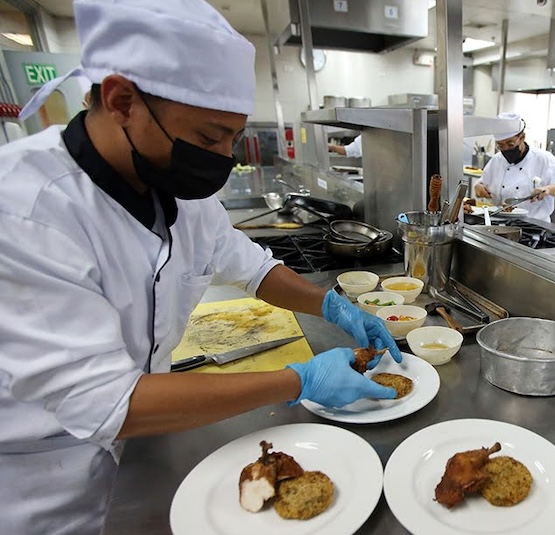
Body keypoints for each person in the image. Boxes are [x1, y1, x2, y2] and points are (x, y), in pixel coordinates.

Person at [0, 2, 401, 534]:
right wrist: (296, 380)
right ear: (122, 100)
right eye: (210, 137)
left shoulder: (178, 194)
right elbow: (106, 402)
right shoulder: (24, 210)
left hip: (145, 445)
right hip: (45, 486)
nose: (223, 155)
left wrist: (332, 305)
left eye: (232, 138)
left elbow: (254, 268)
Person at [473, 112, 555, 222]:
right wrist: (478, 188)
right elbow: (481, 183)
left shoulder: (543, 158)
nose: (506, 150)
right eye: (501, 146)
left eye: (510, 144)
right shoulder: (497, 160)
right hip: (501, 222)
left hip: (535, 226)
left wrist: (547, 189)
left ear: (522, 137)